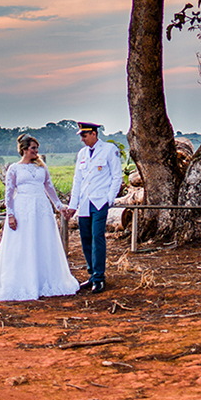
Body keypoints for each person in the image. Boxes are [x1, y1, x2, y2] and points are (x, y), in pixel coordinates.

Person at [0, 133, 79, 302]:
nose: (36, 151)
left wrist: (59, 206)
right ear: (24, 150)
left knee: (43, 241)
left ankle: (45, 280)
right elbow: (9, 193)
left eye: (37, 148)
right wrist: (10, 215)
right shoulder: (14, 168)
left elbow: (49, 187)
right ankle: (23, 280)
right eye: (33, 148)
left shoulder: (41, 167)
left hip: (41, 208)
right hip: (23, 208)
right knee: (23, 242)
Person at [66, 121, 123, 294]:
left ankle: (99, 277)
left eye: (84, 135)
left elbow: (116, 176)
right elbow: (77, 180)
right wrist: (72, 205)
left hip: (99, 201)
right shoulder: (82, 153)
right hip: (85, 202)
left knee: (97, 237)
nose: (82, 139)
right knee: (85, 238)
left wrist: (109, 198)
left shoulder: (108, 150)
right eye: (81, 136)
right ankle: (91, 274)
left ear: (94, 134)